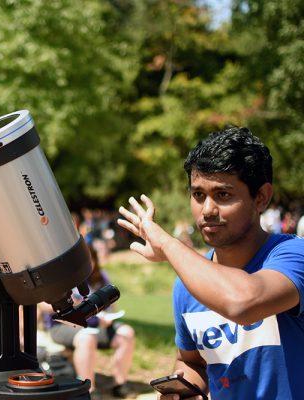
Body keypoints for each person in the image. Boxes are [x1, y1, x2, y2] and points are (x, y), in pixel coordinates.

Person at [117, 127, 304, 400]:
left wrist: (169, 245)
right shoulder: (188, 285)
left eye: (223, 195)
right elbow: (191, 362)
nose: (207, 210)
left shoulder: (293, 255)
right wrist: (184, 389)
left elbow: (243, 302)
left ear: (261, 197)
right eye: (198, 195)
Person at [39, 245, 135, 398]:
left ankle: (120, 384)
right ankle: (89, 390)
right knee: (87, 337)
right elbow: (42, 306)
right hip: (62, 326)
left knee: (126, 332)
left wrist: (105, 317)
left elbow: (111, 306)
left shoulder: (101, 277)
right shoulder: (62, 277)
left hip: (97, 324)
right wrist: (70, 304)